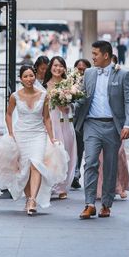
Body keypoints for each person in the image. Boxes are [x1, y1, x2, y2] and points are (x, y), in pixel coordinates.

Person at [0, 65, 67, 215]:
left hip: (38, 135)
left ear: (35, 76)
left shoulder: (44, 95)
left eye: (31, 76)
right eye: (26, 76)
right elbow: (8, 115)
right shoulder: (14, 96)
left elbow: (47, 118)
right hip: (21, 134)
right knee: (24, 169)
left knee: (36, 164)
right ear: (21, 79)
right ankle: (29, 197)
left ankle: (32, 200)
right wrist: (10, 133)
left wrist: (51, 136)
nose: (29, 79)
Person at [74, 40, 129, 220]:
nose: (92, 57)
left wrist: (128, 124)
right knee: (90, 162)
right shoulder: (89, 73)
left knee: (109, 167)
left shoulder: (123, 75)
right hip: (91, 124)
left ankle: (106, 204)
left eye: (95, 54)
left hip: (112, 127)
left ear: (106, 55)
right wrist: (68, 100)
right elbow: (83, 98)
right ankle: (90, 204)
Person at [95, 54, 129, 200]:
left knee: (119, 157)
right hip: (99, 124)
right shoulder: (97, 77)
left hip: (117, 125)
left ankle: (120, 186)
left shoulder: (122, 77)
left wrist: (127, 123)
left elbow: (128, 101)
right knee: (101, 159)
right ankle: (100, 189)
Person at [43, 56, 78, 199]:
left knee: (67, 153)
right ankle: (50, 186)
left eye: (61, 66)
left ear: (64, 68)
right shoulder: (44, 86)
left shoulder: (69, 84)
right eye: (55, 65)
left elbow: (74, 104)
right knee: (50, 155)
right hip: (51, 122)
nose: (57, 68)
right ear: (50, 67)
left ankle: (63, 187)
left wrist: (68, 106)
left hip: (66, 122)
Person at [71, 58, 91, 189]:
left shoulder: (90, 83)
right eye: (78, 68)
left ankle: (76, 175)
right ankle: (71, 175)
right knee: (70, 149)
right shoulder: (69, 82)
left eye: (83, 68)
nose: (81, 70)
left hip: (84, 121)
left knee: (79, 149)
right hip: (70, 120)